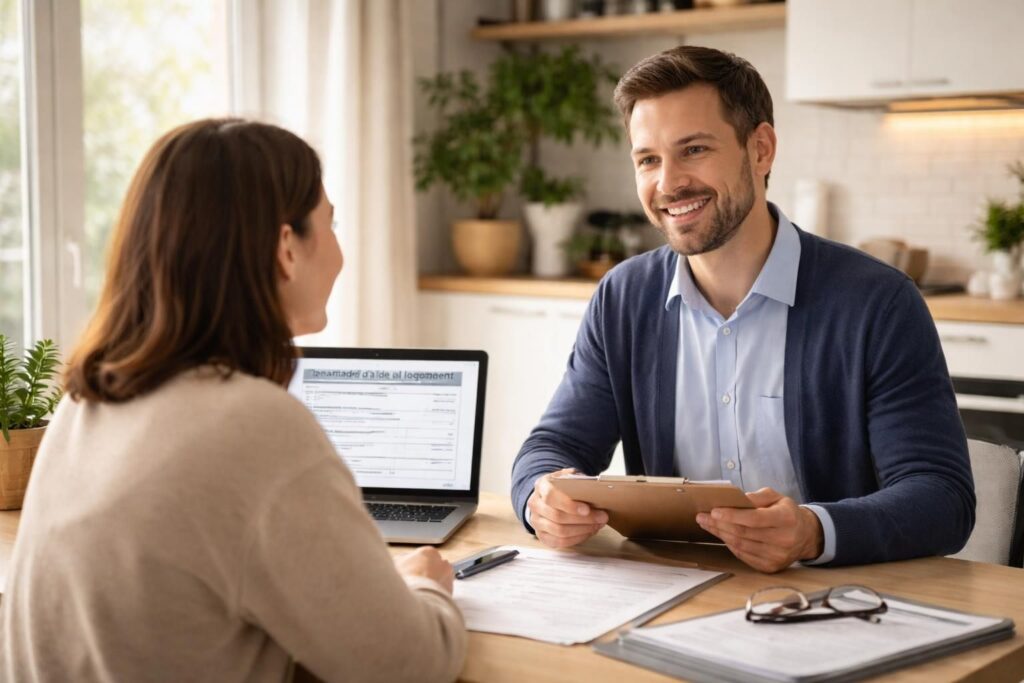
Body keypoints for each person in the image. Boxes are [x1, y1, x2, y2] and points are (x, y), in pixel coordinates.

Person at [1, 119, 466, 681]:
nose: (341, 254)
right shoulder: (254, 425)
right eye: (331, 223)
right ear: (286, 248)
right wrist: (423, 584)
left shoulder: (84, 405)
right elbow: (410, 663)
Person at [511, 46, 975, 572]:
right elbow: (552, 446)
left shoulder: (878, 303)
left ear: (761, 149)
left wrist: (811, 532)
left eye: (693, 149)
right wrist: (541, 498)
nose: (668, 183)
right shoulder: (623, 297)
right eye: (648, 160)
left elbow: (941, 498)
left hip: (833, 599)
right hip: (672, 592)